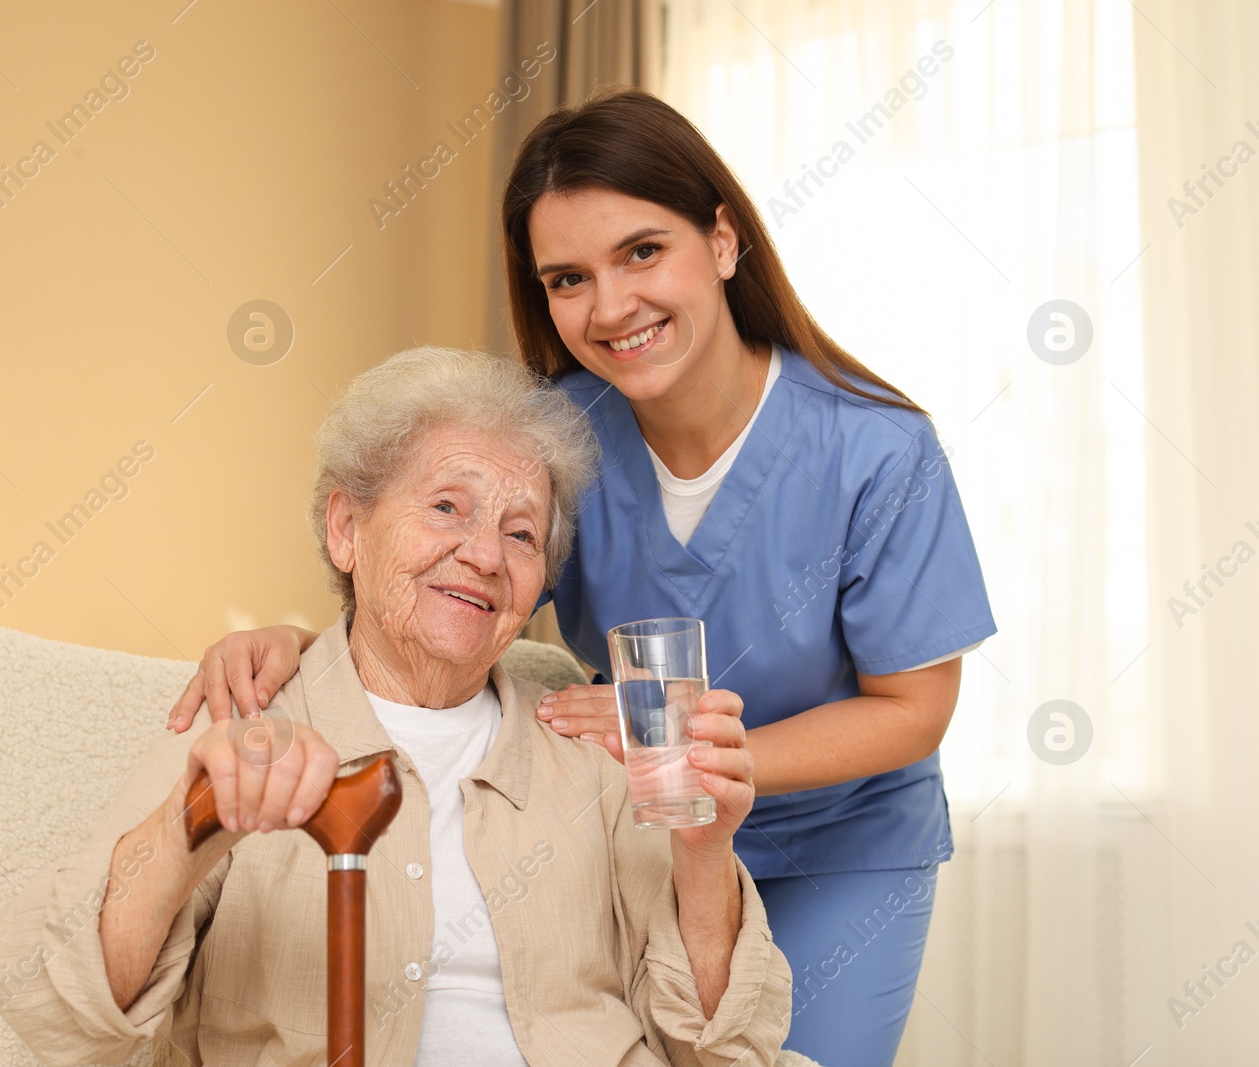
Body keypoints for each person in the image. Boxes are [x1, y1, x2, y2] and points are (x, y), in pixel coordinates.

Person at [167, 89, 996, 1067]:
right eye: (567, 277)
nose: (609, 307)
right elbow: (455, 592)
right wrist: (300, 645)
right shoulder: (558, 435)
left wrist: (696, 756)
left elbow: (911, 709)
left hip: (836, 846)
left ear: (723, 239)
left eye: (642, 251)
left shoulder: (878, 451)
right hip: (635, 843)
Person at [0, 347, 793, 1066]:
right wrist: (190, 825)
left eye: (521, 534)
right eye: (447, 506)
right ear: (346, 528)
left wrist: (703, 850)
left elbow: (726, 1050)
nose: (482, 554)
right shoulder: (244, 720)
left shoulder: (589, 742)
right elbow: (60, 1009)